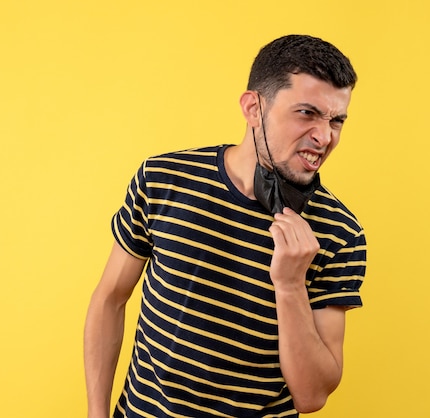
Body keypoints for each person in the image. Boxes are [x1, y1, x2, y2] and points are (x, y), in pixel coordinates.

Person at [84, 34, 367, 418]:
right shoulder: (164, 179)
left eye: (337, 120)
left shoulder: (340, 232)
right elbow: (110, 299)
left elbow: (312, 396)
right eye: (307, 113)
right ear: (253, 108)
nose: (325, 136)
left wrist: (290, 284)